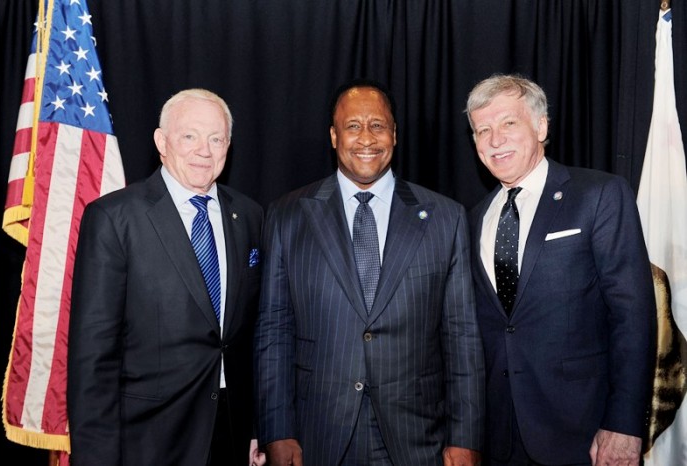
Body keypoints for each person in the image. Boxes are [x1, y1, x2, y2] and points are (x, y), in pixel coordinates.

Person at [253, 79, 485, 466]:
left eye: (377, 125)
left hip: (418, 439)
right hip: (317, 437)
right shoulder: (287, 215)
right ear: (333, 136)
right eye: (353, 126)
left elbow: (461, 334)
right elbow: (274, 330)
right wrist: (277, 430)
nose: (366, 138)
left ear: (394, 134)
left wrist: (467, 437)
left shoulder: (446, 217)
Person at [68, 88, 266, 466]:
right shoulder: (114, 218)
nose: (203, 150)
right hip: (147, 440)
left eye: (216, 138)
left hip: (231, 433)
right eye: (189, 136)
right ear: (162, 142)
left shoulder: (250, 215)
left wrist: (258, 427)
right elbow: (93, 358)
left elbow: (250, 337)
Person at [465, 74, 656, 466]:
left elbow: (633, 317)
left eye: (508, 123)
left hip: (584, 435)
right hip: (497, 436)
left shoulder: (600, 195)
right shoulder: (473, 218)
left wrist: (624, 425)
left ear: (541, 126)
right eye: (482, 130)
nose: (494, 139)